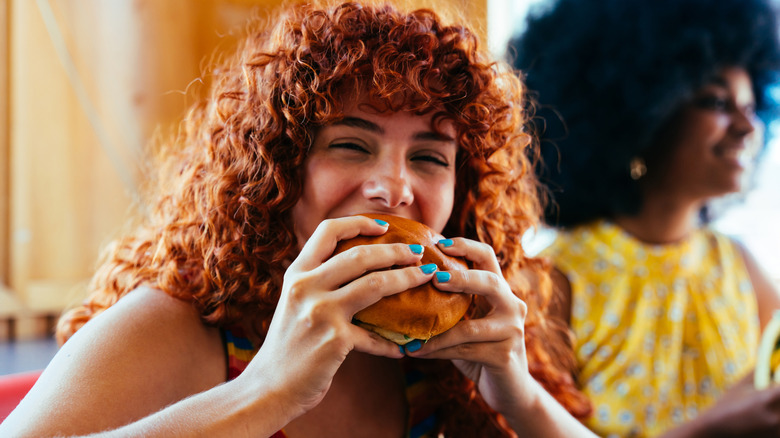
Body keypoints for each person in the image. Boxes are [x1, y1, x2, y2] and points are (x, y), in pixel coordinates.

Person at [0, 1, 597, 437]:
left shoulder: (455, 353)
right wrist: (265, 392)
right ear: (279, 172)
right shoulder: (180, 326)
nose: (393, 188)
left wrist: (520, 400)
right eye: (351, 146)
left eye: (429, 158)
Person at [509, 0, 780, 436]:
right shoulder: (555, 283)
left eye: (751, 108)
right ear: (642, 113)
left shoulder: (740, 268)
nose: (747, 128)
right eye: (717, 102)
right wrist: (711, 427)